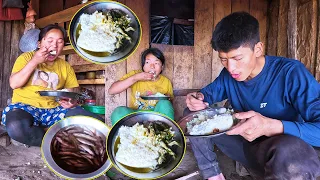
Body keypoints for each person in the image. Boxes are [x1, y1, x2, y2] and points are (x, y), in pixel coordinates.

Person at [185, 12, 320, 180]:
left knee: (293, 160)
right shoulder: (229, 75)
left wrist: (270, 126)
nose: (231, 67)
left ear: (258, 49)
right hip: (244, 146)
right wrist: (197, 98)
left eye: (237, 58)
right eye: (223, 59)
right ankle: (213, 174)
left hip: (279, 150)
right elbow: (207, 94)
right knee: (191, 116)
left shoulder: (290, 73)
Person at [1, 24, 103, 147]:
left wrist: (71, 100)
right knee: (15, 127)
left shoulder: (65, 66)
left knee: (96, 122)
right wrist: (35, 61)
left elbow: (73, 90)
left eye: (59, 42)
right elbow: (14, 83)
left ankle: (53, 137)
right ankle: (58, 141)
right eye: (50, 40)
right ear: (39, 44)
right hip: (25, 107)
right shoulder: (26, 58)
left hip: (55, 110)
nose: (54, 45)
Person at [108, 48, 174, 125]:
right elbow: (111, 91)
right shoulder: (135, 75)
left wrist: (166, 98)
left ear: (162, 66)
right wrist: (135, 78)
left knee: (165, 104)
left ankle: (164, 133)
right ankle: (126, 135)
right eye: (147, 62)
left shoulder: (166, 82)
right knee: (118, 112)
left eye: (156, 63)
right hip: (135, 116)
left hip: (156, 117)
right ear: (143, 66)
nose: (152, 66)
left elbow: (168, 106)